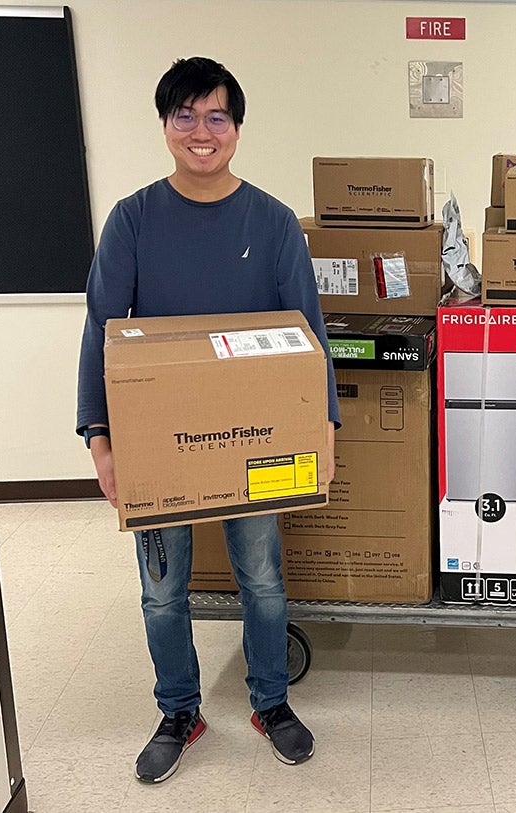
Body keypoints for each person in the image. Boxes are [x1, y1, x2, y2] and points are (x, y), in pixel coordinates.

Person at [76, 57, 341, 781]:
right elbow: (102, 333)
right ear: (166, 126)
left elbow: (308, 334)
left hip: (256, 443)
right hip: (155, 445)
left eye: (216, 116)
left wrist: (322, 430)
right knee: (163, 590)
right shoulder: (132, 220)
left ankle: (271, 702)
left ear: (237, 127)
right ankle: (179, 711)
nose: (201, 131)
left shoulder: (272, 222)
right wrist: (101, 440)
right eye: (185, 116)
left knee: (262, 578)